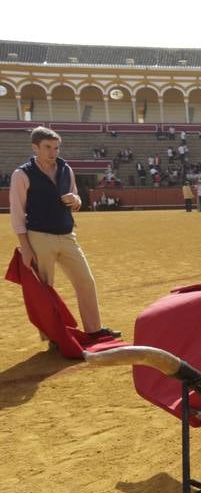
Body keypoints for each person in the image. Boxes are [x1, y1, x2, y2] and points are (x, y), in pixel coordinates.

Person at [9, 127, 121, 341]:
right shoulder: (21, 174)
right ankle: (52, 337)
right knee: (45, 290)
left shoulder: (65, 168)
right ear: (35, 148)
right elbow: (17, 213)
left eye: (56, 147)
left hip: (67, 235)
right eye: (48, 147)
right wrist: (25, 246)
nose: (53, 152)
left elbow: (76, 199)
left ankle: (94, 328)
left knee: (85, 281)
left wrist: (76, 201)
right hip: (38, 237)